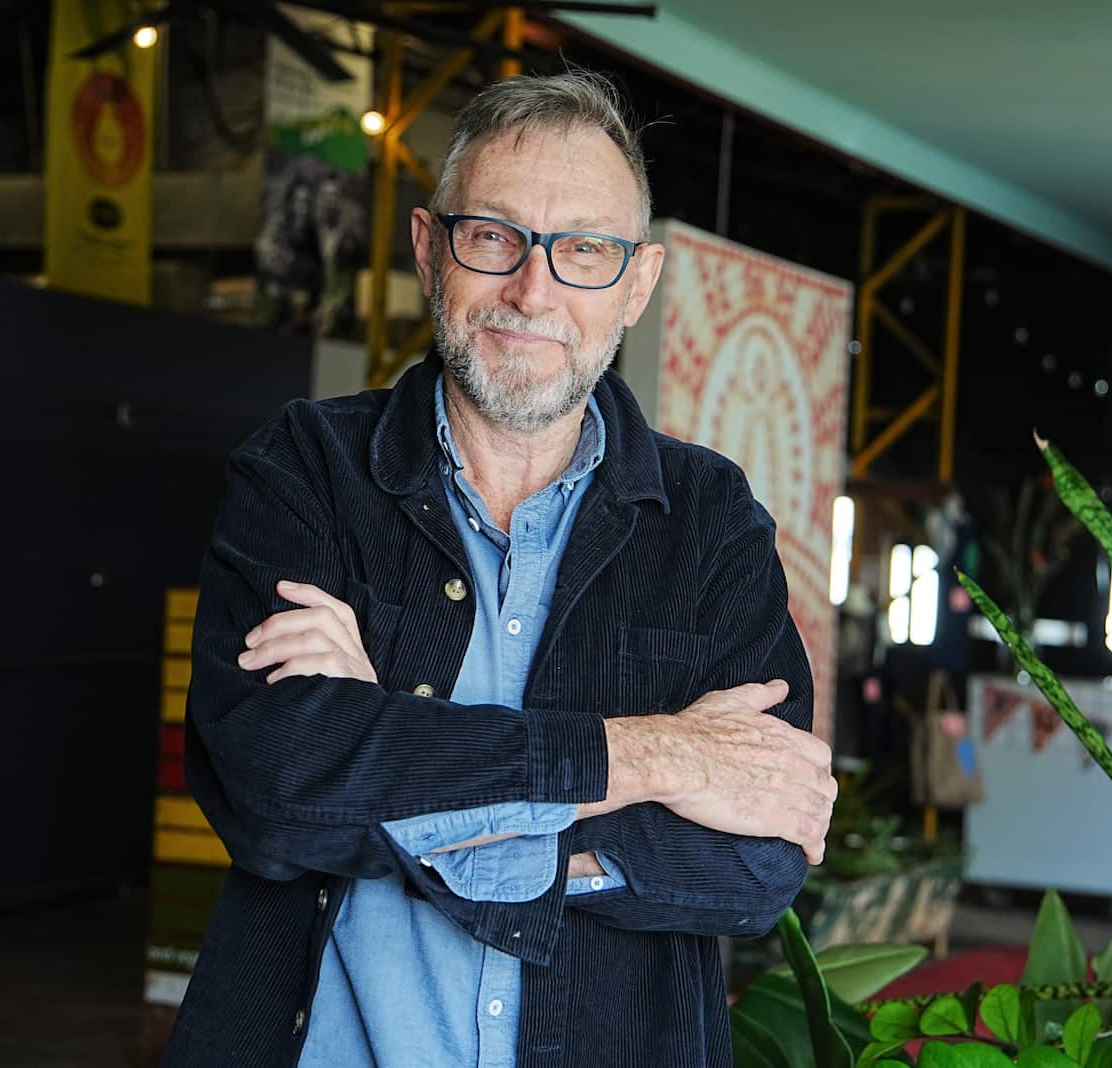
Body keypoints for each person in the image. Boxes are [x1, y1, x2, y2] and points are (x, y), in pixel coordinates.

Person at [165, 71, 836, 1068]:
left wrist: (387, 747)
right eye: (494, 236)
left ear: (637, 284)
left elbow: (758, 860)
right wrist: (651, 758)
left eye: (584, 252)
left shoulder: (708, 523)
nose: (533, 290)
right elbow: (274, 792)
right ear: (431, 249)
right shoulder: (307, 469)